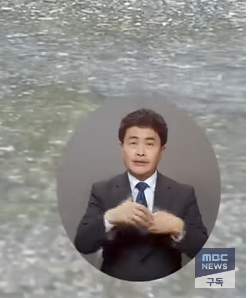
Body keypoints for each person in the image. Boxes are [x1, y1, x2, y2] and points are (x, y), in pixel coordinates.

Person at [73, 108, 209, 282]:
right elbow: (82, 244)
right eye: (133, 143)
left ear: (162, 150)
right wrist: (111, 217)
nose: (140, 152)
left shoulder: (183, 193)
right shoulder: (102, 190)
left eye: (150, 144)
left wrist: (178, 228)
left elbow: (210, 255)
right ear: (122, 148)